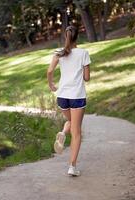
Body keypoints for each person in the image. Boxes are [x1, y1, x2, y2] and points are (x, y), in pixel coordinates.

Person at [46, 25, 91, 176]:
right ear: (78, 36)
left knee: (71, 123)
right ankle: (72, 167)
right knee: (77, 132)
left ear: (65, 36)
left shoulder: (59, 53)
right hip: (77, 96)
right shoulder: (83, 53)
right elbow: (87, 78)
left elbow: (50, 71)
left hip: (62, 96)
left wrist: (51, 84)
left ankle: (63, 132)